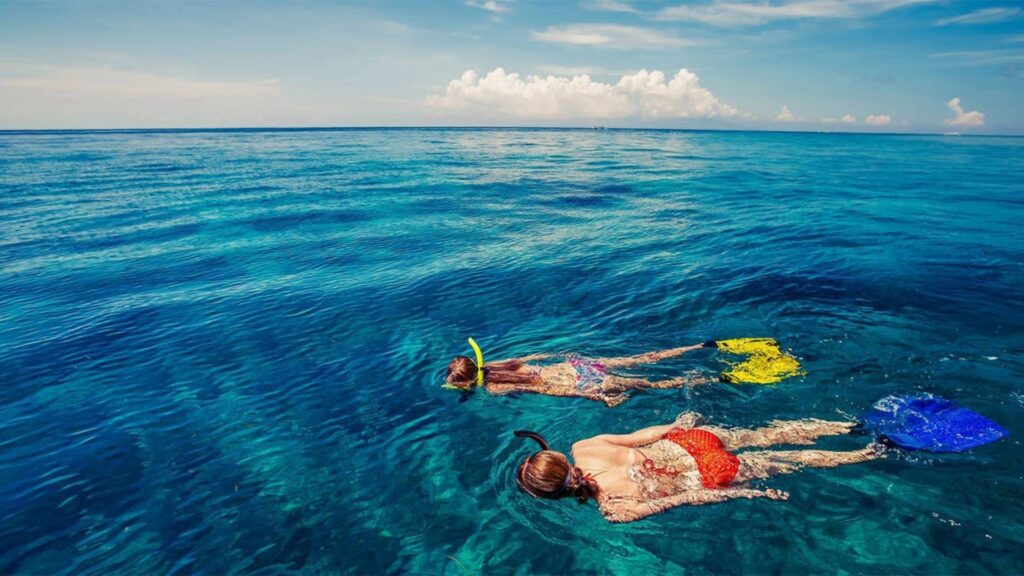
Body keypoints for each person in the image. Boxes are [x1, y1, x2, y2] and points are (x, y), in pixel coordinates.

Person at [513, 413, 877, 523]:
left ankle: (870, 452)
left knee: (792, 462)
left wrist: (749, 492)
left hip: (708, 473)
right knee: (770, 432)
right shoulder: (584, 446)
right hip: (689, 442)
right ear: (558, 456)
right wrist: (675, 426)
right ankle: (850, 427)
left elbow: (687, 498)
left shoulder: (615, 509)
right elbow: (644, 435)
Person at [444, 342, 715, 407]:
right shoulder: (493, 364)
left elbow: (544, 389)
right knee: (640, 360)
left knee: (652, 385)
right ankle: (697, 346)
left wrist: (593, 397)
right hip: (575, 365)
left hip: (581, 382)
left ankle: (708, 379)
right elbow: (530, 358)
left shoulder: (494, 388)